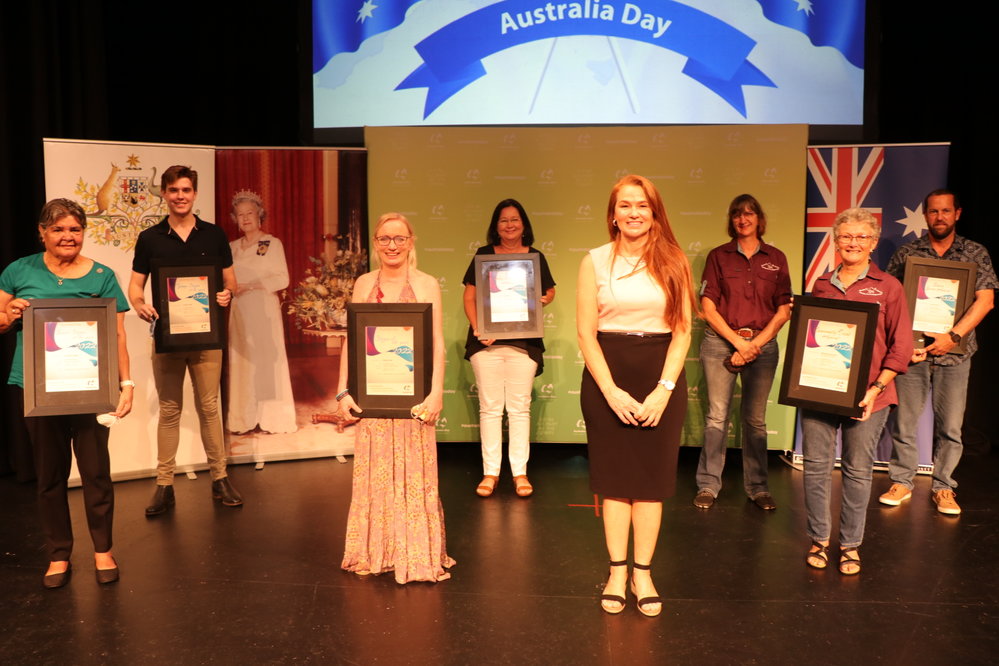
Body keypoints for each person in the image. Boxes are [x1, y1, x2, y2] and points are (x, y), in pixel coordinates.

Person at [577, 175, 696, 617]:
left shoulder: (675, 260)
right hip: (608, 377)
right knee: (614, 484)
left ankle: (642, 572)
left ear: (654, 212)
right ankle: (615, 571)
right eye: (625, 205)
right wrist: (610, 391)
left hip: (659, 377)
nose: (633, 213)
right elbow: (586, 334)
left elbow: (683, 332)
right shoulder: (594, 261)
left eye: (642, 205)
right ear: (613, 213)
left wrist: (664, 390)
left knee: (649, 485)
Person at [0, 199, 134, 588]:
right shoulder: (17, 271)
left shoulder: (103, 276)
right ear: (42, 232)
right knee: (49, 475)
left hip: (92, 389)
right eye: (58, 229)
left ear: (83, 233)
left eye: (74, 229)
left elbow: (119, 334)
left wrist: (127, 384)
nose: (67, 236)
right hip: (38, 391)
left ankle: (103, 550)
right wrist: (10, 315)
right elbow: (1, 322)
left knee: (96, 473)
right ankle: (59, 554)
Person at [337, 212, 454, 583]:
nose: (392, 246)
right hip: (372, 402)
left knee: (414, 477)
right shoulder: (363, 283)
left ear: (411, 242)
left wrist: (436, 393)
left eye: (399, 239)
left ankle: (416, 555)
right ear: (375, 243)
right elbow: (350, 341)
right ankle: (375, 551)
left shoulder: (426, 284)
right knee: (375, 476)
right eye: (385, 239)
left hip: (414, 402)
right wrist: (343, 391)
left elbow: (436, 343)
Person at [801, 208, 912, 575]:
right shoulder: (820, 285)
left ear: (873, 243)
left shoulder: (888, 287)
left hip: (871, 396)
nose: (853, 243)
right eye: (846, 236)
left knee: (858, 470)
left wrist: (876, 387)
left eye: (861, 237)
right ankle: (819, 538)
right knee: (816, 468)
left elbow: (901, 346)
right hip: (821, 392)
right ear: (835, 241)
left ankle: (850, 545)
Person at [128, 165, 242, 515]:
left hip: (207, 338)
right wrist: (140, 305)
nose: (180, 196)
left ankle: (219, 478)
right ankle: (165, 485)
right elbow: (135, 286)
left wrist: (225, 295)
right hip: (167, 338)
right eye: (174, 190)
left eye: (187, 190)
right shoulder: (150, 238)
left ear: (195, 194)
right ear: (164, 193)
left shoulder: (214, 235)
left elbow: (230, 282)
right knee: (170, 409)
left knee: (209, 407)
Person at [879, 189, 997, 515]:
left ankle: (944, 487)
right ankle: (902, 480)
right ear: (925, 215)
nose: (939, 217)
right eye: (933, 212)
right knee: (904, 422)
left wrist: (953, 335)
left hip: (956, 353)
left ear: (957, 213)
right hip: (915, 353)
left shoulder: (975, 252)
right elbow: (893, 303)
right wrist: (905, 342)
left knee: (951, 427)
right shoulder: (908, 253)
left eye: (946, 211)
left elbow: (985, 300)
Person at [694, 194, 792, 510]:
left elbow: (783, 311)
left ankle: (758, 488)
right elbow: (707, 306)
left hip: (762, 346)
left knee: (755, 420)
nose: (743, 219)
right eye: (737, 213)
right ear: (732, 220)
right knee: (716, 417)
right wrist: (738, 344)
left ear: (758, 219)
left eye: (749, 213)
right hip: (720, 342)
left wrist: (754, 345)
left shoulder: (776, 257)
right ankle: (708, 485)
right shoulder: (718, 256)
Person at [462, 198, 556, 498]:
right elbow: (469, 297)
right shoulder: (484, 255)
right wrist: (479, 329)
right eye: (504, 220)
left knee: (519, 410)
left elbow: (549, 290)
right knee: (490, 409)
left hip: (524, 343)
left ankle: (519, 473)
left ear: (524, 224)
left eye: (515, 219)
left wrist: (544, 300)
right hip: (486, 343)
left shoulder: (535, 257)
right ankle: (490, 473)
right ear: (496, 226)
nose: (510, 225)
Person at [227, 190, 297, 434]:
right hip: (240, 310)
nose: (245, 218)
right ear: (235, 219)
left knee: (266, 362)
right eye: (240, 214)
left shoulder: (271, 243)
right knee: (243, 363)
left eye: (250, 213)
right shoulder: (231, 247)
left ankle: (272, 418)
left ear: (260, 216)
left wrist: (252, 286)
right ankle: (243, 418)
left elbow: (282, 278)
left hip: (263, 308)